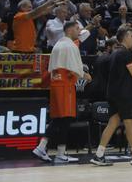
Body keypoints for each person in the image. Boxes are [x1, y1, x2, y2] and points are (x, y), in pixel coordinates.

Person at [90, 26, 132, 166]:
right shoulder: (125, 53)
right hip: (123, 94)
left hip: (113, 93)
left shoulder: (115, 53)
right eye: (131, 36)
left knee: (113, 123)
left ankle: (98, 155)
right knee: (130, 123)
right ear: (125, 37)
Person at [32, 21, 91, 163]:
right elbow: (74, 66)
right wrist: (85, 75)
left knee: (60, 119)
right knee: (64, 118)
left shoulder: (58, 44)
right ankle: (47, 149)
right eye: (77, 29)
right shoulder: (69, 46)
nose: (79, 31)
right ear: (70, 30)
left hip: (56, 83)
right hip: (65, 85)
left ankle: (54, 151)